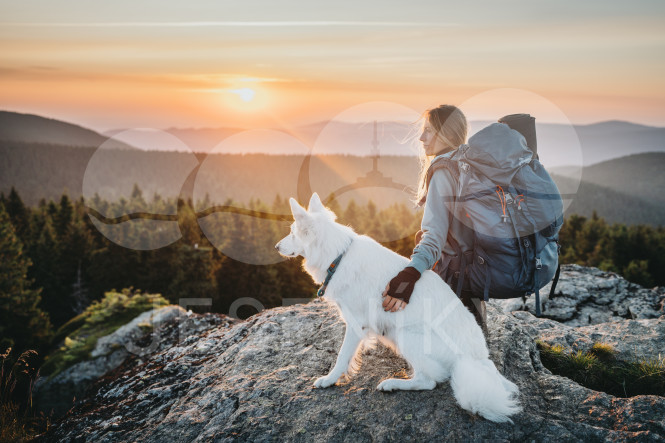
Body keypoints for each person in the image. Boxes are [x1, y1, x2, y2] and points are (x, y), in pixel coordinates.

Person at [381, 104, 488, 334]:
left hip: (454, 284)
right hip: (475, 276)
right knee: (476, 349)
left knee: (451, 356)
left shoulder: (444, 171)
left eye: (429, 131)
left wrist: (409, 275)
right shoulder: (469, 163)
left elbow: (435, 237)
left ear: (447, 134)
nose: (421, 137)